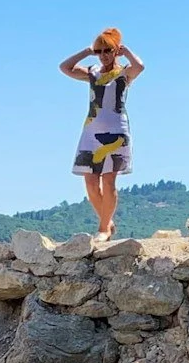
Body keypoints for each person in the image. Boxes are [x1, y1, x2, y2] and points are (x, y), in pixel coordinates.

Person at [61, 28, 144, 239]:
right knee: (90, 182)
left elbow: (140, 66)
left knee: (108, 181)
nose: (104, 54)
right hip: (91, 132)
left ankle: (103, 228)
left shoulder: (124, 73)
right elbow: (65, 67)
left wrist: (128, 53)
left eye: (108, 50)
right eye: (100, 50)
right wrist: (87, 51)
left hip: (116, 133)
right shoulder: (92, 72)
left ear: (116, 50)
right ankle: (108, 221)